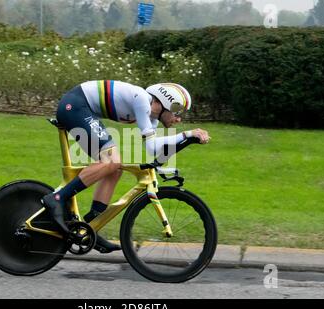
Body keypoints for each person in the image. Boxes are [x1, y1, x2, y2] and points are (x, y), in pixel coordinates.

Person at [42, 80, 211, 253]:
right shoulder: (142, 100)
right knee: (111, 161)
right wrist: (187, 134)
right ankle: (56, 198)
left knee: (114, 169)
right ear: (164, 103)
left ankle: (91, 226)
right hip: (76, 105)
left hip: (81, 108)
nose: (178, 118)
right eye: (177, 111)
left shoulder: (151, 119)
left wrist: (187, 141)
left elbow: (154, 150)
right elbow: (153, 146)